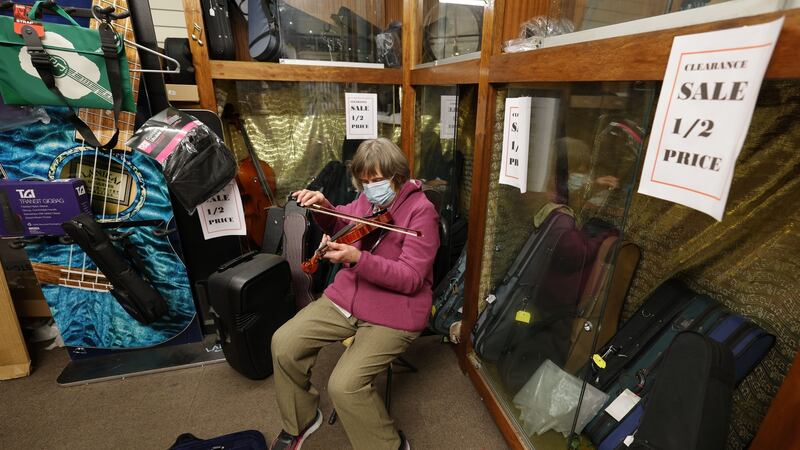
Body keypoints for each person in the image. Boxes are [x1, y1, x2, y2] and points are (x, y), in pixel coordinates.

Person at [270, 138, 440, 450]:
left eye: (377, 181)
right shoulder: (368, 202)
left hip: (396, 311)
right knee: (284, 342)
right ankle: (303, 420)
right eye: (364, 182)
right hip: (349, 297)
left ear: (397, 176)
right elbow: (345, 220)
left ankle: (389, 445)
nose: (371, 187)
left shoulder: (421, 213)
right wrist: (323, 206)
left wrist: (358, 259)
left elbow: (412, 278)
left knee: (344, 385)